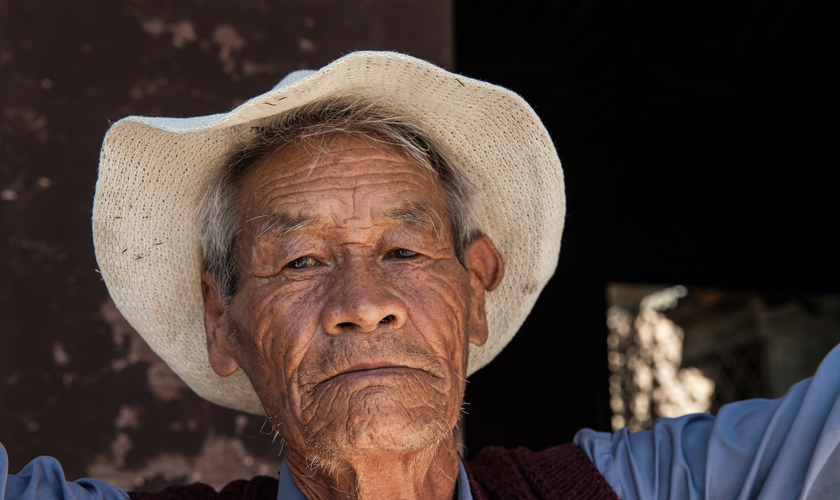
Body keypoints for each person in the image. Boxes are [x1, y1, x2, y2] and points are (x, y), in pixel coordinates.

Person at [1, 51, 839, 500]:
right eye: (299, 261)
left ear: (475, 288)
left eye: (404, 253)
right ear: (223, 321)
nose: (364, 306)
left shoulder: (636, 495)